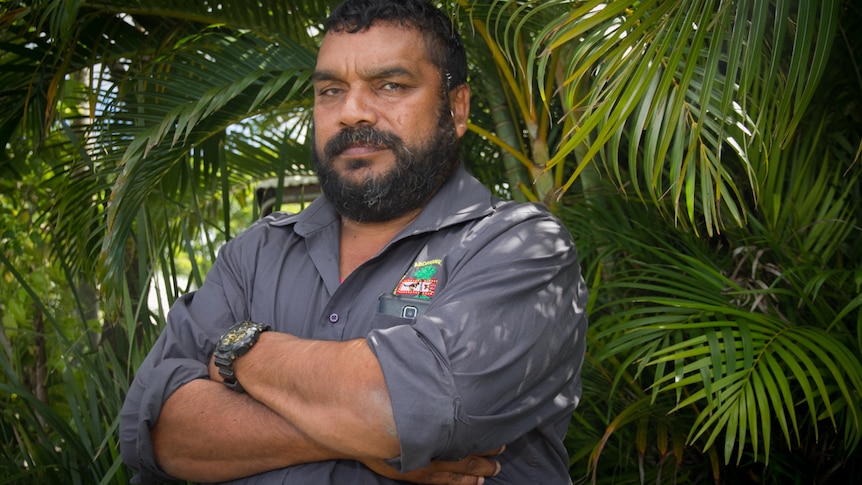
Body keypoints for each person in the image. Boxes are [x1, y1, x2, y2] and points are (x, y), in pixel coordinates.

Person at [119, 0, 588, 483]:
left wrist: (240, 352)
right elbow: (160, 431)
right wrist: (359, 436)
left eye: (390, 85)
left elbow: (393, 411)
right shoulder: (254, 254)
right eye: (330, 90)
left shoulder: (521, 248)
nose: (351, 111)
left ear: (457, 107)